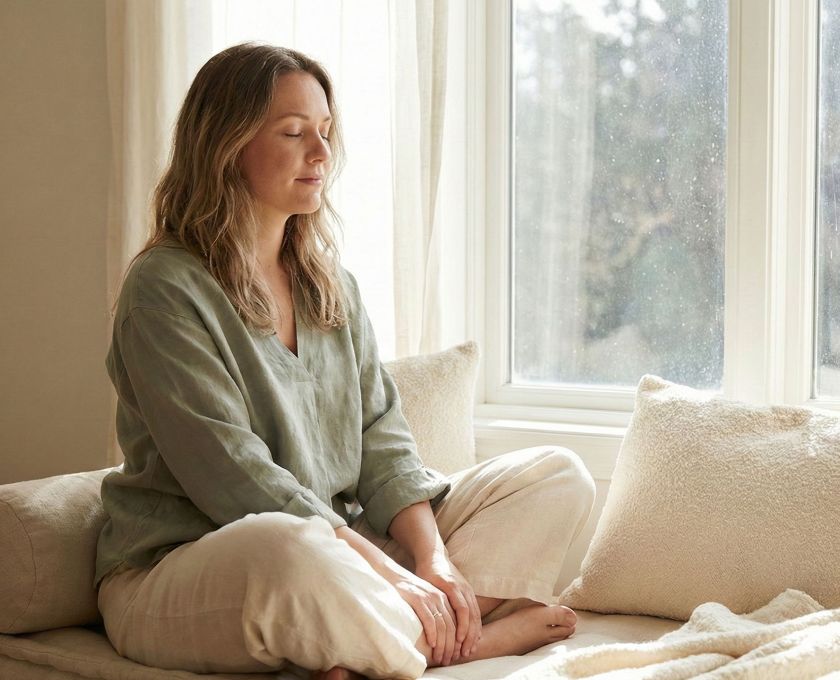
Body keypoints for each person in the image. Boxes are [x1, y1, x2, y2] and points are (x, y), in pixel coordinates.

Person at [95, 42, 596, 680]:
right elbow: (237, 481)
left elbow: (383, 441)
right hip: (190, 567)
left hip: (338, 547)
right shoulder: (164, 290)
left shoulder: (329, 283)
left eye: (326, 132)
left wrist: (432, 562)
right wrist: (389, 572)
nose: (322, 154)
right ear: (226, 145)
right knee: (286, 541)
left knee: (556, 473)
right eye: (295, 132)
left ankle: (392, 637)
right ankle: (472, 643)